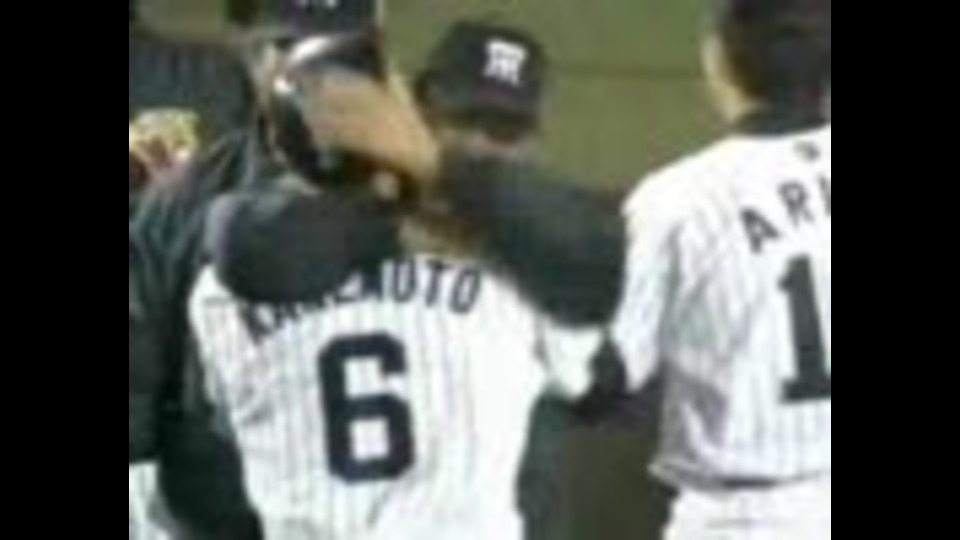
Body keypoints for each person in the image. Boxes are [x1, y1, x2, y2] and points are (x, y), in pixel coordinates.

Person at [128, 1, 396, 538]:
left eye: (341, 51)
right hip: (212, 509)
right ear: (249, 53)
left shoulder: (435, 199)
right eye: (287, 47)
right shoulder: (187, 197)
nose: (316, 73)